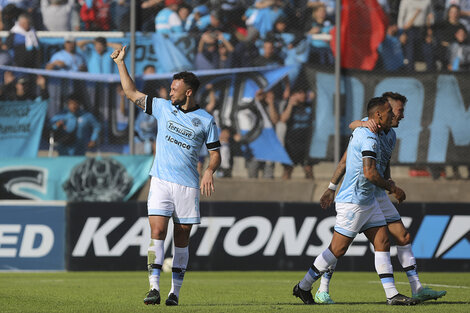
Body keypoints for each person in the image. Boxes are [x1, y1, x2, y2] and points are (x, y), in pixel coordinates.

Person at [111, 46, 221, 306]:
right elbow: (130, 92)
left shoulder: (206, 120)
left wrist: (209, 170)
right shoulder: (162, 107)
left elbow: (215, 153)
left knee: (181, 238)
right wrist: (120, 64)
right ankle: (153, 288)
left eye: (174, 89)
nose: (170, 91)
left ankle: (175, 293)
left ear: (188, 92)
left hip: (187, 186)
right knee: (157, 231)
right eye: (171, 88)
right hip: (160, 180)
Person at [316, 92, 447, 304]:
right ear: (384, 112)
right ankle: (322, 288)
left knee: (402, 237)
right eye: (399, 111)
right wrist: (331, 187)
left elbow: (384, 164)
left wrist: (389, 182)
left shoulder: (391, 135)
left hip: (377, 192)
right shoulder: (366, 129)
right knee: (339, 246)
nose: (402, 116)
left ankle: (416, 288)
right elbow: (347, 152)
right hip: (361, 194)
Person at [293, 97, 418, 306]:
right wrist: (393, 188)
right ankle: (303, 286)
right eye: (389, 112)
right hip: (353, 202)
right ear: (378, 115)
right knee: (337, 250)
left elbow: (355, 143)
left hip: (367, 200)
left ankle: (392, 295)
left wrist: (332, 187)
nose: (393, 115)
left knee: (383, 241)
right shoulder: (368, 137)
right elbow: (369, 173)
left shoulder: (371, 131)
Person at [280, 86, 314, 180]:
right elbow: (283, 119)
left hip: (306, 142)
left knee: (308, 168)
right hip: (292, 142)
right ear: (293, 95)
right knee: (287, 169)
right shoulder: (289, 106)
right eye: (299, 93)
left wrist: (314, 99)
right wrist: (290, 104)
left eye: (304, 93)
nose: (303, 95)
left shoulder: (309, 105)